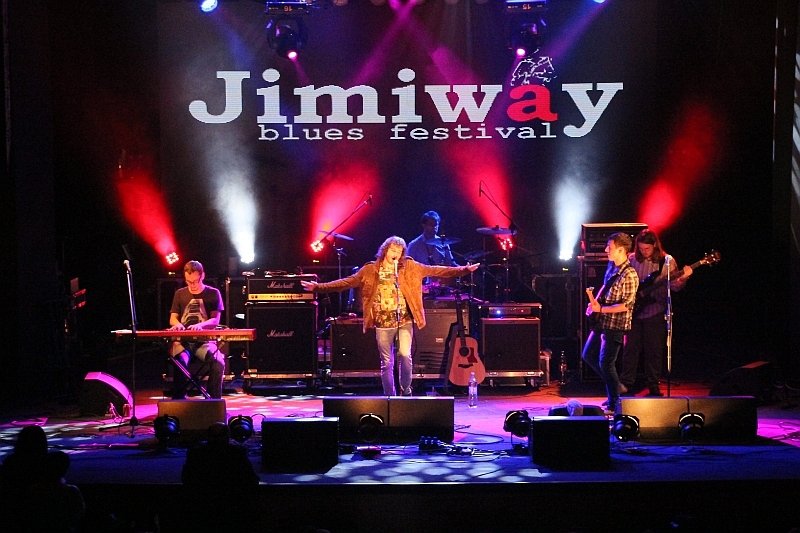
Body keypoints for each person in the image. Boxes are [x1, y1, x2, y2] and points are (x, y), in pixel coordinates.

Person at [301, 236, 479, 396]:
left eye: (399, 251)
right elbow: (346, 282)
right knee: (386, 362)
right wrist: (318, 287)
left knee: (405, 355)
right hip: (383, 322)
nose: (396, 254)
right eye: (393, 249)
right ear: (385, 250)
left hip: (404, 320)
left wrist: (464, 270)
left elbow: (438, 270)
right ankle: (390, 397)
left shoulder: (410, 267)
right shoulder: (370, 269)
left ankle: (406, 391)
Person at [620, 229, 693, 396]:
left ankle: (653, 385)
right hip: (633, 312)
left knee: (654, 351)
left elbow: (675, 287)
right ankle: (626, 385)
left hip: (655, 311)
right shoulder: (632, 259)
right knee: (630, 350)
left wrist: (684, 277)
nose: (644, 252)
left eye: (647, 249)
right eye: (641, 249)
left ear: (654, 245)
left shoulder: (667, 261)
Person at [581, 232, 639, 414]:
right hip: (603, 322)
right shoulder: (612, 267)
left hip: (616, 325)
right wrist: (594, 304)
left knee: (606, 363)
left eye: (610, 247)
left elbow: (626, 305)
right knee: (588, 355)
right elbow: (605, 288)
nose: (606, 250)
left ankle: (615, 403)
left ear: (621, 250)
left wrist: (601, 309)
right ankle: (616, 387)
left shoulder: (629, 274)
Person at [169, 260, 225, 399]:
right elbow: (173, 318)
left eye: (195, 281)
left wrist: (200, 326)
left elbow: (215, 320)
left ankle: (213, 401)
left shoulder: (213, 293)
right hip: (183, 342)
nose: (192, 285)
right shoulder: (179, 293)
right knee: (179, 362)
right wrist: (178, 324)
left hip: (204, 342)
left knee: (218, 363)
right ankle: (179, 401)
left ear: (202, 276)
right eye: (188, 281)